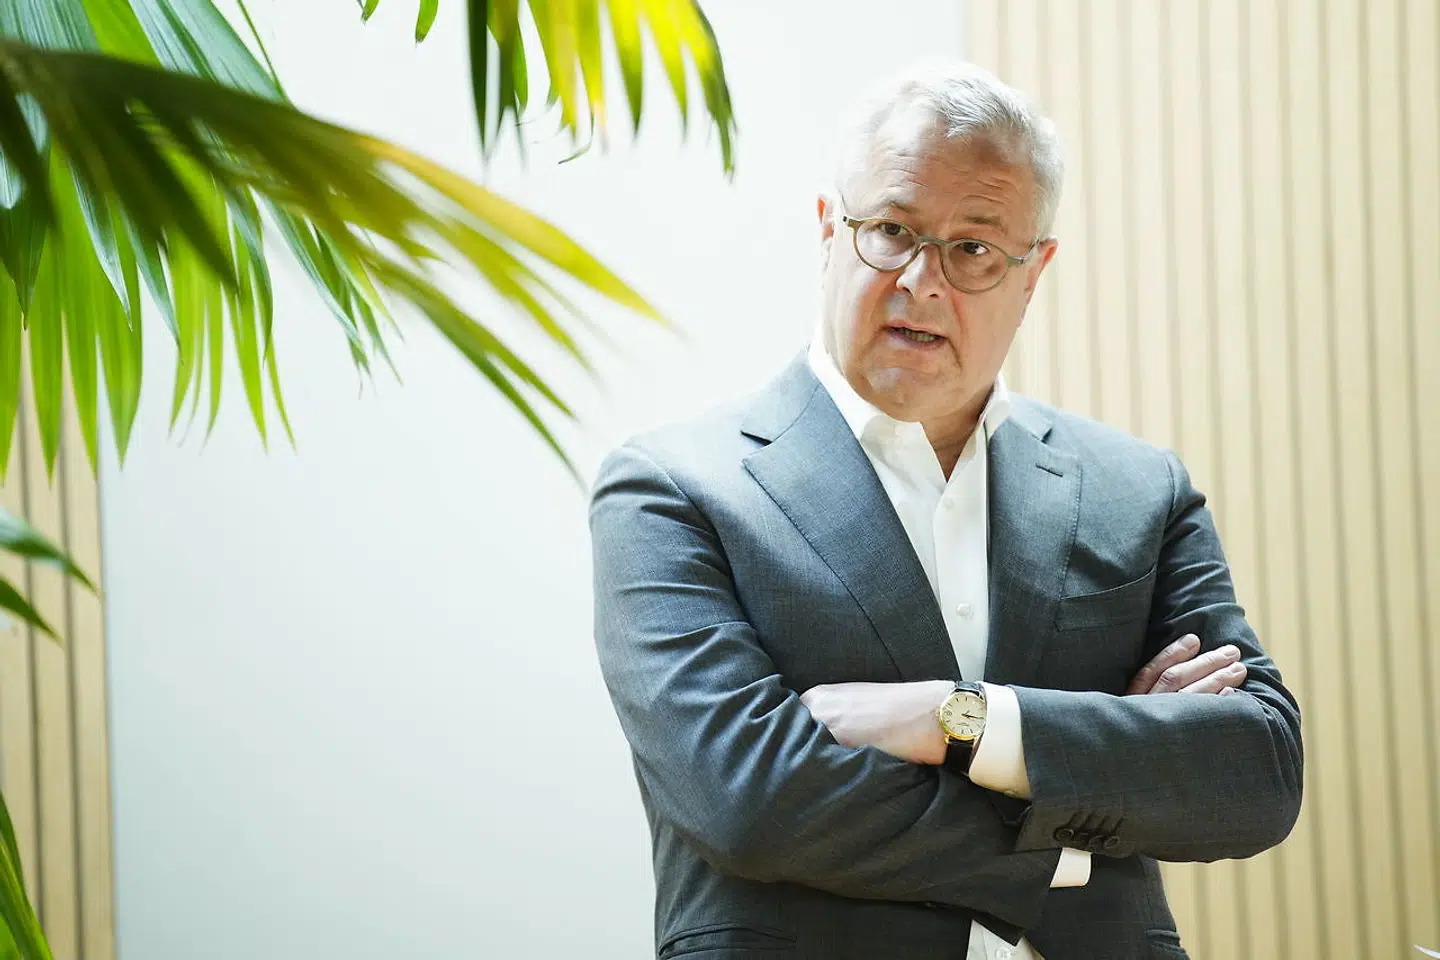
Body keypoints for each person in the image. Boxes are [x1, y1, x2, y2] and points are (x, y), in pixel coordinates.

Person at [589, 60, 1302, 960]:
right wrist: (1089, 808)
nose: (923, 280)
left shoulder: (1137, 489)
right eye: (892, 231)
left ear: (1033, 273)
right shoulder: (673, 488)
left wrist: (955, 719)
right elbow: (751, 802)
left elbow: (1257, 773)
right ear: (829, 232)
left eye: (973, 249)